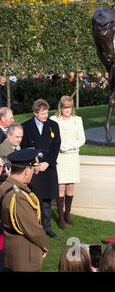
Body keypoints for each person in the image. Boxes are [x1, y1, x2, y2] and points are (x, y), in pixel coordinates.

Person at [0, 148, 49, 272]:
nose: (33, 173)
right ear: (26, 171)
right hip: (24, 254)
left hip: (10, 247)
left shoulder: (5, 186)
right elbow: (33, 229)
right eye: (32, 170)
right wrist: (45, 245)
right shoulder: (19, 196)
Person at [20, 99, 61, 238]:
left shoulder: (53, 125)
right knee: (34, 199)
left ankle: (47, 227)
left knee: (48, 200)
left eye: (46, 113)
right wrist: (36, 164)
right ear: (35, 113)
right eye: (42, 113)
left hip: (48, 168)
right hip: (34, 169)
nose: (45, 116)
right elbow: (24, 147)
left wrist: (48, 162)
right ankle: (35, 227)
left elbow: (56, 146)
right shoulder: (25, 126)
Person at [50, 96, 86, 230]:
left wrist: (71, 146)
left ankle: (67, 214)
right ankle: (60, 217)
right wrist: (59, 146)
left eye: (69, 107)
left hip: (72, 155)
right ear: (61, 108)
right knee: (60, 186)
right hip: (60, 156)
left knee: (70, 186)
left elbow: (82, 138)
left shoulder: (78, 120)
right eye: (65, 107)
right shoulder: (54, 120)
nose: (67, 110)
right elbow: (51, 137)